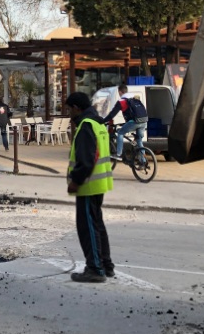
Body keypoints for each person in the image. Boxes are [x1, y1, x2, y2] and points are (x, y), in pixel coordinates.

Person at [63, 91, 115, 283]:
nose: (69, 114)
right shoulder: (98, 123)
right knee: (97, 225)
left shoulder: (86, 125)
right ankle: (106, 265)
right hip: (99, 184)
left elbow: (87, 159)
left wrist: (75, 181)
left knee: (88, 228)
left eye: (69, 109)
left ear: (77, 108)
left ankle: (95, 268)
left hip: (87, 184)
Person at [105, 84, 148, 160]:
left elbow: (112, 114)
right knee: (139, 140)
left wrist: (103, 121)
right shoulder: (135, 99)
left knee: (120, 133)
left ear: (120, 92)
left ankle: (118, 154)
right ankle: (143, 162)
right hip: (144, 121)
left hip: (134, 122)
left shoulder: (121, 101)